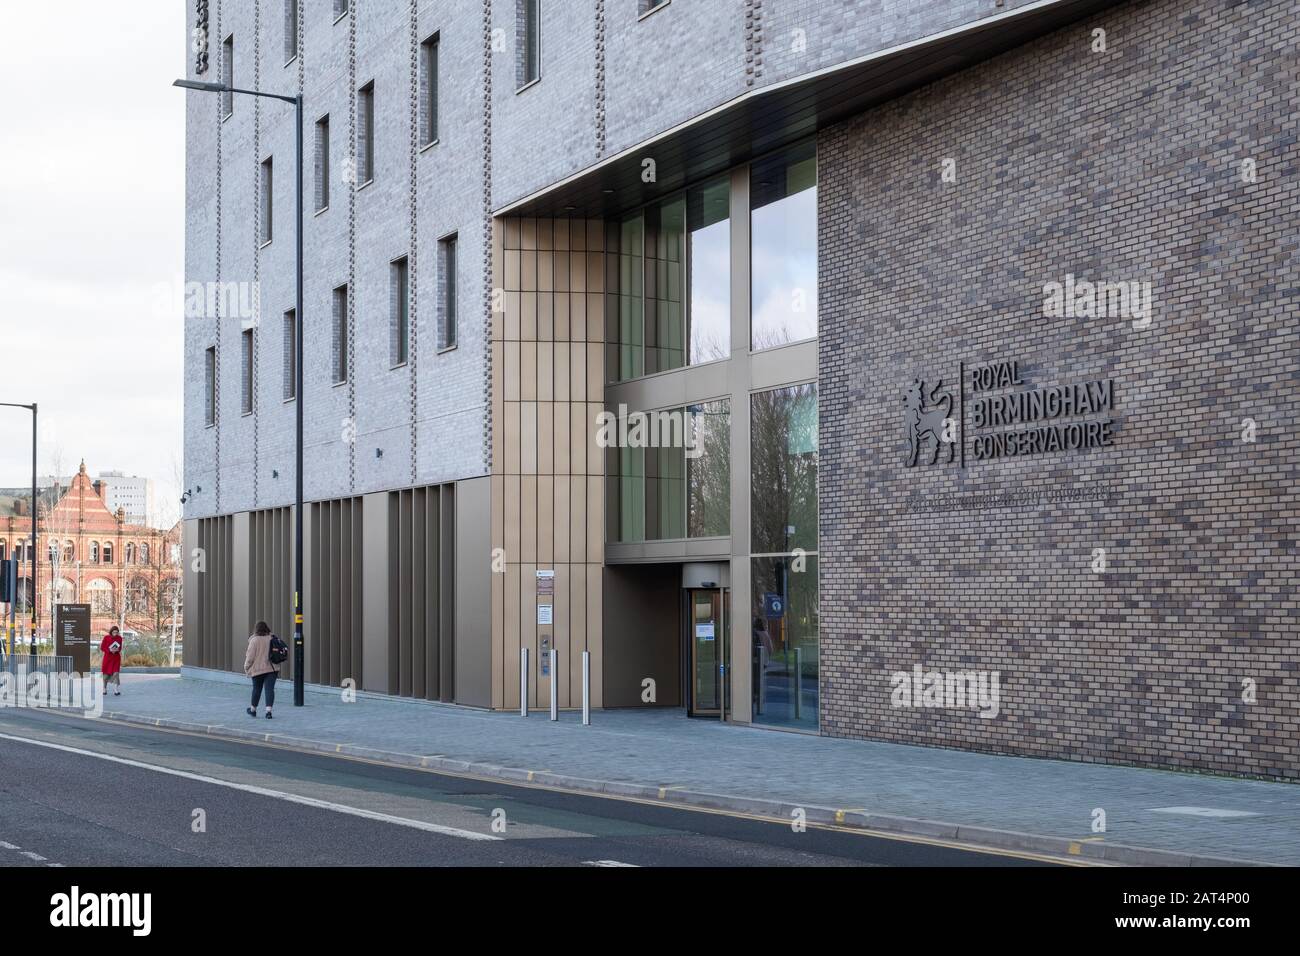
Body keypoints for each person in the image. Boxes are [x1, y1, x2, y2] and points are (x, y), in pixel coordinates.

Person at [244, 621, 279, 719]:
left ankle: (253, 710)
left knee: (256, 689)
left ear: (256, 629)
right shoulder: (272, 638)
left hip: (257, 669)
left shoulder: (254, 640)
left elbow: (250, 657)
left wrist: (246, 667)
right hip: (272, 669)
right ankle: (268, 711)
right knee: (269, 689)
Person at [100, 626, 123, 696]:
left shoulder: (120, 638)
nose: (115, 633)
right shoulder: (106, 637)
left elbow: (120, 647)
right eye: (114, 632)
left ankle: (116, 690)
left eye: (116, 632)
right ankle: (104, 688)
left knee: (116, 674)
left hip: (116, 658)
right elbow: (102, 647)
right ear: (111, 632)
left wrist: (117, 650)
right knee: (106, 675)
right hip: (108, 658)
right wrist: (109, 650)